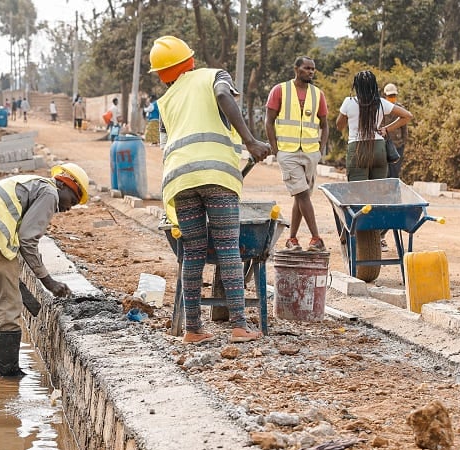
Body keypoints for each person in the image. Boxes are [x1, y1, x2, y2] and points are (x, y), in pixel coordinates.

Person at [148, 35, 271, 345]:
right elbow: (223, 96)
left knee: (193, 251)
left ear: (162, 74)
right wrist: (250, 141)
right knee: (228, 247)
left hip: (179, 181)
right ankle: (240, 326)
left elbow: (167, 146)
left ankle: (193, 329)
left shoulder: (165, 102)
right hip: (216, 176)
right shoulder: (214, 75)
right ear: (190, 60)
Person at [0, 163, 90, 377]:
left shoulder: (36, 184)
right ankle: (9, 377)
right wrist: (48, 281)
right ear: (66, 186)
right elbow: (28, 239)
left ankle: (0, 372)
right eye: (72, 201)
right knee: (9, 304)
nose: (68, 208)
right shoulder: (50, 193)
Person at [265, 56, 330, 252]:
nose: (310, 72)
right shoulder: (280, 90)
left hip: (310, 153)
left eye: (313, 69)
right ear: (296, 69)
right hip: (288, 153)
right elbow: (269, 121)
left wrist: (320, 150)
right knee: (302, 193)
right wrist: (277, 151)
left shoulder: (317, 94)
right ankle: (316, 238)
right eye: (306, 68)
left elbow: (324, 125)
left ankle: (292, 239)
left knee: (301, 196)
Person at [337, 71, 413, 181]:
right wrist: (387, 129)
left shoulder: (348, 102)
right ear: (374, 85)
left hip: (357, 150)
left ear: (356, 86)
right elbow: (407, 116)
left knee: (358, 191)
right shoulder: (381, 103)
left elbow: (339, 126)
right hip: (378, 148)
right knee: (378, 190)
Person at [381, 83, 408, 179]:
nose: (392, 98)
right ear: (385, 96)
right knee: (385, 172)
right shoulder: (381, 108)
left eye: (393, 96)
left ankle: (393, 192)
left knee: (395, 172)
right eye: (390, 96)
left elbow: (404, 128)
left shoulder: (400, 108)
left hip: (397, 145)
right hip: (384, 145)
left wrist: (403, 142)